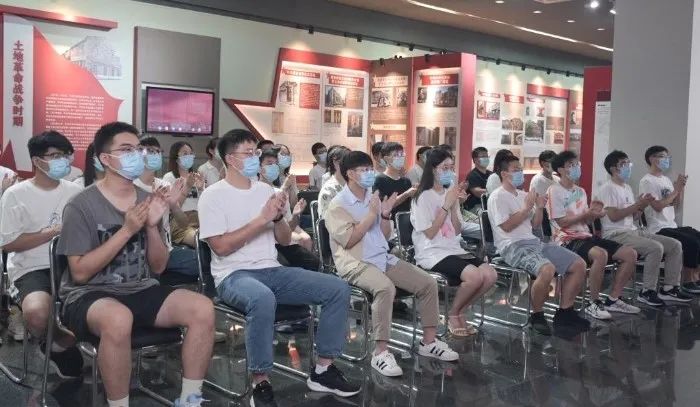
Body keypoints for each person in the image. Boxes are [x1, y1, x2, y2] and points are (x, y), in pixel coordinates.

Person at [58, 122, 214, 407]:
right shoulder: (80, 205)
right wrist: (127, 230)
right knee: (118, 318)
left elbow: (159, 267)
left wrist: (151, 227)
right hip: (89, 295)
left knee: (202, 308)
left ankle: (191, 399)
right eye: (127, 150)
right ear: (106, 159)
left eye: (139, 149)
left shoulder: (149, 200)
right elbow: (79, 273)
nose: (138, 156)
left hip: (140, 288)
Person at [199, 129, 360, 405]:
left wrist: (277, 219)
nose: (254, 158)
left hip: (272, 270)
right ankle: (260, 382)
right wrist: (262, 219)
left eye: (256, 153)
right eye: (248, 153)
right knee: (262, 298)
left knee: (337, 288)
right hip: (233, 275)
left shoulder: (267, 191)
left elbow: (284, 240)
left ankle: (323, 369)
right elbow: (221, 248)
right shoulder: (213, 195)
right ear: (230, 159)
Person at [326, 151, 458, 378]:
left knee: (428, 283)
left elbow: (384, 235)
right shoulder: (338, 205)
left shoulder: (372, 197)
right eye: (364, 170)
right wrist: (371, 214)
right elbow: (349, 240)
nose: (369, 174)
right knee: (385, 288)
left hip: (381, 256)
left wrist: (385, 215)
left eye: (370, 169)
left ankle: (428, 342)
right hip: (355, 262)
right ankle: (380, 353)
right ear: (350, 174)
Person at [0, 131, 83, 374]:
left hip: (72, 264)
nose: (63, 161)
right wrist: (52, 232)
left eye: (66, 155)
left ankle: (62, 343)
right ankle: (58, 342)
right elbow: (8, 243)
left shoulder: (75, 191)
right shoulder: (16, 194)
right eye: (55, 156)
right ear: (37, 161)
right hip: (32, 268)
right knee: (37, 314)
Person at [488, 155, 589, 335]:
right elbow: (506, 226)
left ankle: (565, 311)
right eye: (515, 170)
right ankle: (537, 315)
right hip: (513, 246)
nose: (520, 173)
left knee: (579, 264)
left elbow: (535, 224)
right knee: (547, 269)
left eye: (521, 169)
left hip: (534, 242)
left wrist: (540, 207)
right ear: (503, 174)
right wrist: (527, 208)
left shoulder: (523, 195)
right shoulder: (497, 197)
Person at [411, 147, 497, 336]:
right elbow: (430, 233)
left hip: (453, 248)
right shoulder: (422, 197)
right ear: (432, 169)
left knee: (490, 274)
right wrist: (446, 205)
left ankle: (460, 310)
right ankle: (452, 314)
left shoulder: (449, 193)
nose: (449, 172)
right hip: (431, 252)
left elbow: (457, 230)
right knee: (474, 276)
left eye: (451, 167)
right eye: (445, 168)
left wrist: (454, 205)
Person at [548, 151, 640, 320]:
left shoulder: (580, 191)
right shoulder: (554, 190)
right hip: (566, 238)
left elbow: (586, 219)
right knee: (600, 254)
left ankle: (613, 299)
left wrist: (594, 214)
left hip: (585, 235)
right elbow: (562, 222)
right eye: (571, 165)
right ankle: (594, 302)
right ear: (560, 170)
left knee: (630, 254)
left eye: (577, 164)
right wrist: (587, 214)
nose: (576, 168)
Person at [597, 150, 692, 306]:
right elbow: (614, 216)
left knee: (675, 245)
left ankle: (669, 288)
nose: (628, 166)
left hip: (633, 231)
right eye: (624, 164)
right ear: (613, 168)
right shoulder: (608, 188)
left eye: (628, 163)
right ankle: (647, 291)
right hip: (616, 234)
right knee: (655, 247)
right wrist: (637, 205)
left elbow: (634, 217)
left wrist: (642, 206)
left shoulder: (627, 187)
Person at [134, 137, 199, 278]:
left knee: (203, 259)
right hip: (140, 252)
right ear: (138, 154)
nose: (156, 155)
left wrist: (174, 206)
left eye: (158, 152)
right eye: (151, 151)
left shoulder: (165, 185)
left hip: (166, 249)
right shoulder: (132, 186)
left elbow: (183, 224)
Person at [640, 145, 700, 293]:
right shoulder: (647, 181)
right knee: (691, 242)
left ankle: (696, 277)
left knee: (697, 236)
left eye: (667, 157)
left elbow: (675, 205)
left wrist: (679, 189)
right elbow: (658, 206)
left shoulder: (666, 179)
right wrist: (676, 190)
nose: (666, 160)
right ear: (652, 159)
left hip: (671, 225)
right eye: (662, 156)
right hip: (658, 228)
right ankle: (688, 280)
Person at [258, 149, 316, 260]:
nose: (274, 167)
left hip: (282, 234)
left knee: (310, 257)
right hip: (266, 239)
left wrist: (295, 214)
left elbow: (290, 225)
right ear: (259, 168)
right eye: (269, 163)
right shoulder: (256, 191)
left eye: (276, 163)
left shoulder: (278, 191)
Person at [163, 141, 203, 248]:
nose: (189, 156)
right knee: (200, 240)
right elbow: (173, 207)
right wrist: (187, 187)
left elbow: (203, 204)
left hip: (199, 219)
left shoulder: (196, 177)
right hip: (179, 223)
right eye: (185, 153)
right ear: (176, 158)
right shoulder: (169, 177)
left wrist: (201, 189)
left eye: (191, 153)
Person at [372, 142, 415, 218]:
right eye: (396, 155)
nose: (401, 157)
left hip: (406, 222)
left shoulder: (406, 181)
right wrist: (406, 194)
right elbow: (383, 206)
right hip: (388, 222)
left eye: (402, 154)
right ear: (386, 159)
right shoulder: (379, 180)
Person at [318, 146, 350, 219]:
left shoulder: (353, 185)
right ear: (335, 162)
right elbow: (327, 220)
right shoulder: (329, 190)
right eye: (348, 161)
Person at [465, 147, 491, 212]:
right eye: (483, 157)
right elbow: (478, 192)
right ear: (475, 160)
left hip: (489, 204)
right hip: (476, 207)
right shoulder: (472, 175)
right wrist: (494, 191)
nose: (486, 158)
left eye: (487, 156)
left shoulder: (491, 174)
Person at [276, 143, 299, 209]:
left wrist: (293, 186)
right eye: (282, 154)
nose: (286, 157)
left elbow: (293, 205)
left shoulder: (289, 177)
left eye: (287, 154)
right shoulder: (269, 176)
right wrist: (285, 186)